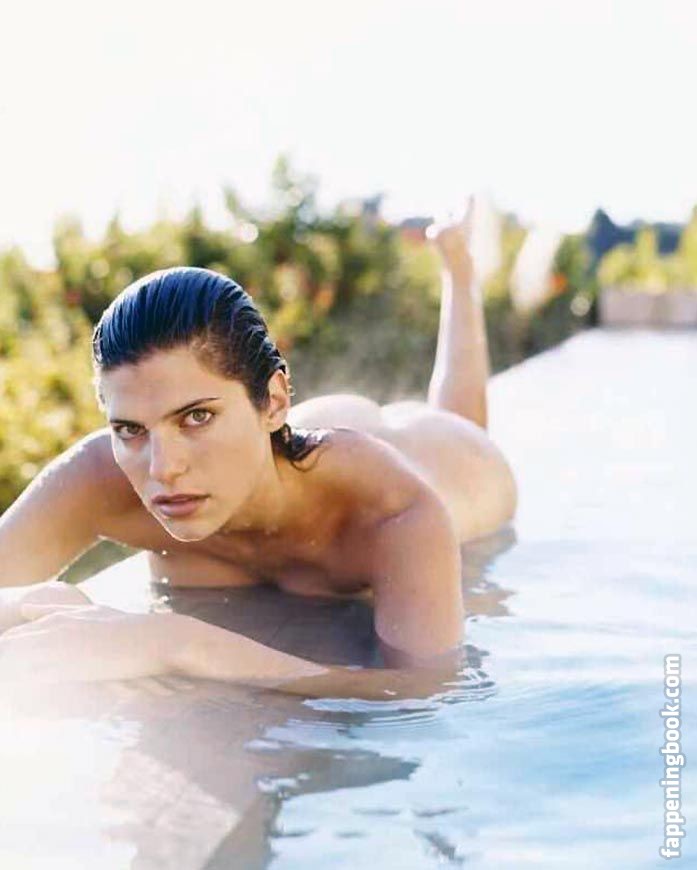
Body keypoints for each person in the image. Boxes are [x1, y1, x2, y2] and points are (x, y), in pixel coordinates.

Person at [0, 204, 517, 699]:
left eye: (196, 417)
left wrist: (176, 643)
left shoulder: (393, 511)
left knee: (460, 423)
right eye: (130, 429)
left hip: (452, 463)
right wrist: (41, 601)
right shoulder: (102, 476)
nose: (163, 468)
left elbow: (429, 689)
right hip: (301, 439)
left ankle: (459, 269)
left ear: (273, 402)